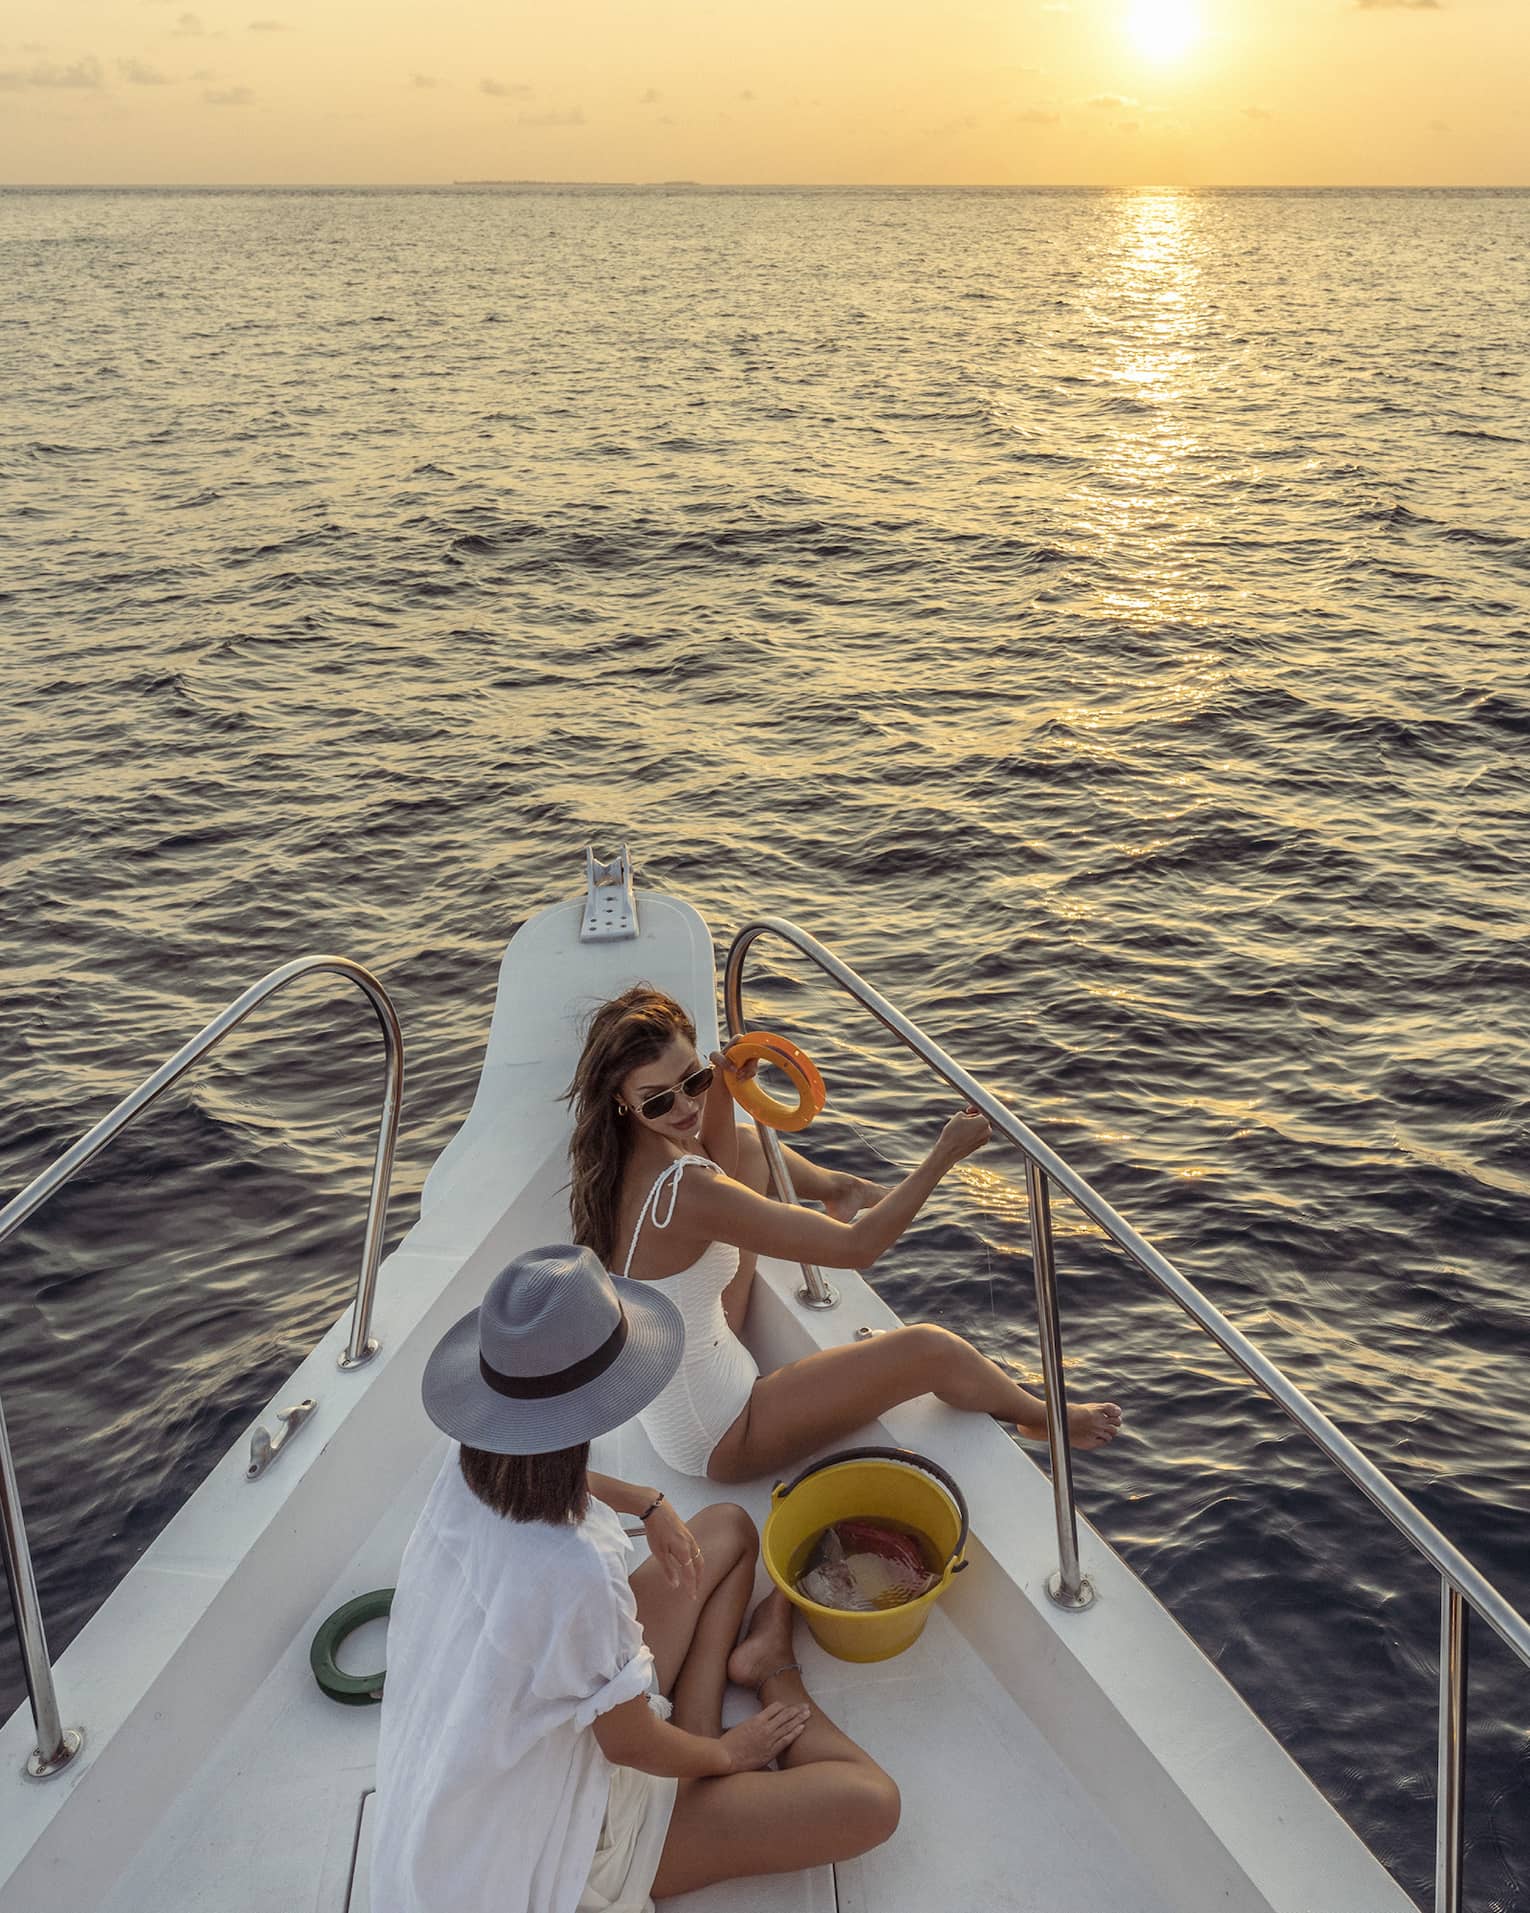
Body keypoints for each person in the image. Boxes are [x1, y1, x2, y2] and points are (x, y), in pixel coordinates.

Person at [372, 1243, 900, 1913]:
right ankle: (769, 1677)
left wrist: (642, 1501)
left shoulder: (469, 1460)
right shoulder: (575, 1572)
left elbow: (545, 1482)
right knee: (871, 1802)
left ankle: (706, 1726)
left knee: (729, 1531)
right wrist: (730, 1755)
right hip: (562, 1843)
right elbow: (627, 1742)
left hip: (479, 1797)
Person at [566, 985, 1124, 1483]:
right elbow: (857, 1249)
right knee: (932, 1351)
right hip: (718, 1434)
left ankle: (840, 1189)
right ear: (623, 1100)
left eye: (695, 1079)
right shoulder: (683, 1193)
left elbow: (717, 1156)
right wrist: (942, 1157)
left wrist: (726, 1088)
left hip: (687, 1367)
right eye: (661, 1099)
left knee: (753, 1150)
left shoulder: (617, 1152)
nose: (687, 1105)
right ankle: (1043, 1418)